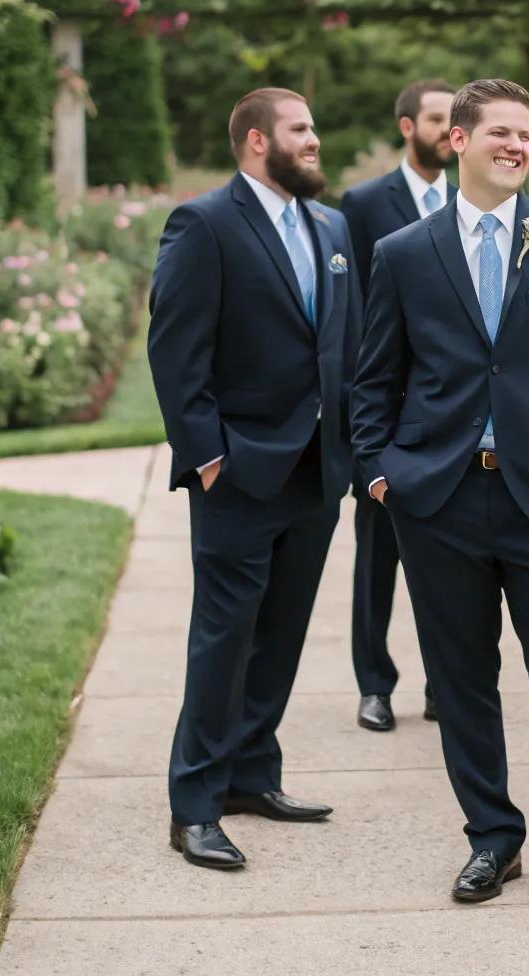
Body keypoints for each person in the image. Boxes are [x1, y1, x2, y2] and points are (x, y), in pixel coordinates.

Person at [351, 78, 529, 905]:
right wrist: (380, 475)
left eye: (527, 135)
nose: (517, 145)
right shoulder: (403, 251)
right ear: (458, 143)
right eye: (501, 133)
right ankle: (492, 840)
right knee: (463, 679)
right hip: (437, 502)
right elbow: (376, 381)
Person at [148, 87, 362, 871]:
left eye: (313, 126)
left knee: (281, 635)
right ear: (254, 141)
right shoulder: (203, 224)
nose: (314, 140)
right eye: (300, 129)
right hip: (237, 472)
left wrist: (352, 450)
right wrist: (208, 458)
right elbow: (176, 350)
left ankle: (251, 775)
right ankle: (194, 805)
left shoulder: (332, 225)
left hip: (317, 471)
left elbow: (349, 346)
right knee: (224, 638)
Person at [340, 78, 455, 732]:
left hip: (456, 413)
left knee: (454, 564)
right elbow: (357, 318)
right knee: (376, 558)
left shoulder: (479, 200)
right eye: (437, 117)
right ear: (407, 125)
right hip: (388, 414)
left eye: (454, 118)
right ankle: (374, 684)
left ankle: (445, 682)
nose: (448, 129)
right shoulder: (361, 205)